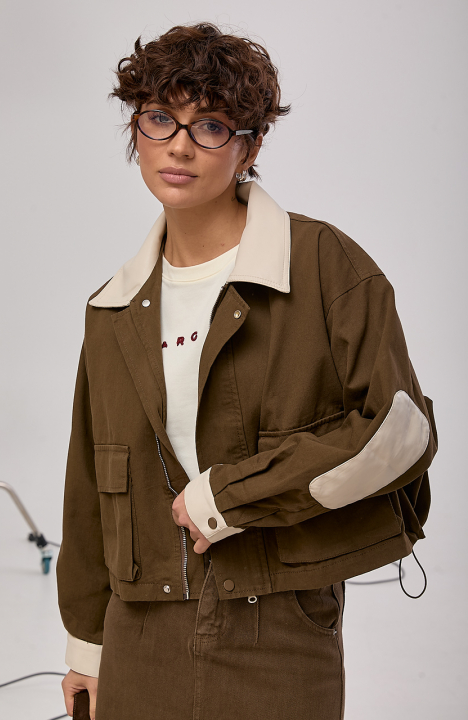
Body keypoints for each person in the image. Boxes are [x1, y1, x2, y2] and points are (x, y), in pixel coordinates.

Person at [56, 22, 437, 720]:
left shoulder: (321, 265)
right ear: (137, 128)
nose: (178, 145)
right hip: (138, 634)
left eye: (210, 126)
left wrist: (233, 496)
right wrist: (87, 647)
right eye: (160, 117)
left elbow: (400, 432)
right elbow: (87, 488)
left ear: (250, 146)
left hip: (279, 627)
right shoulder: (113, 308)